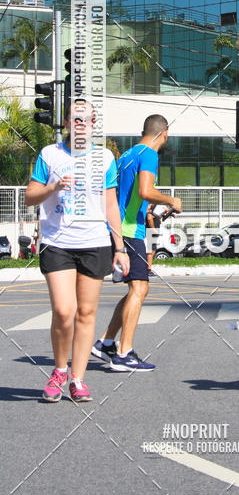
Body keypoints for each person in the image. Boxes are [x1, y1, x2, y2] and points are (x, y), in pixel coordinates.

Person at [25, 101, 129, 403]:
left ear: (93, 122)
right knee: (63, 310)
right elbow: (31, 196)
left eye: (86, 119)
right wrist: (53, 187)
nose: (81, 123)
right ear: (68, 123)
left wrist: (119, 247)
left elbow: (110, 205)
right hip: (57, 242)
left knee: (86, 313)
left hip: (94, 242)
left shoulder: (105, 157)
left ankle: (78, 378)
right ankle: (59, 370)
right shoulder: (50, 154)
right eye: (76, 119)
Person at [92, 114, 181, 371]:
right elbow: (144, 191)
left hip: (122, 226)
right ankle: (123, 353)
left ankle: (106, 343)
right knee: (140, 290)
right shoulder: (149, 154)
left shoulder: (128, 154)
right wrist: (171, 200)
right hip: (130, 230)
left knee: (134, 289)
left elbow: (127, 194)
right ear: (164, 133)